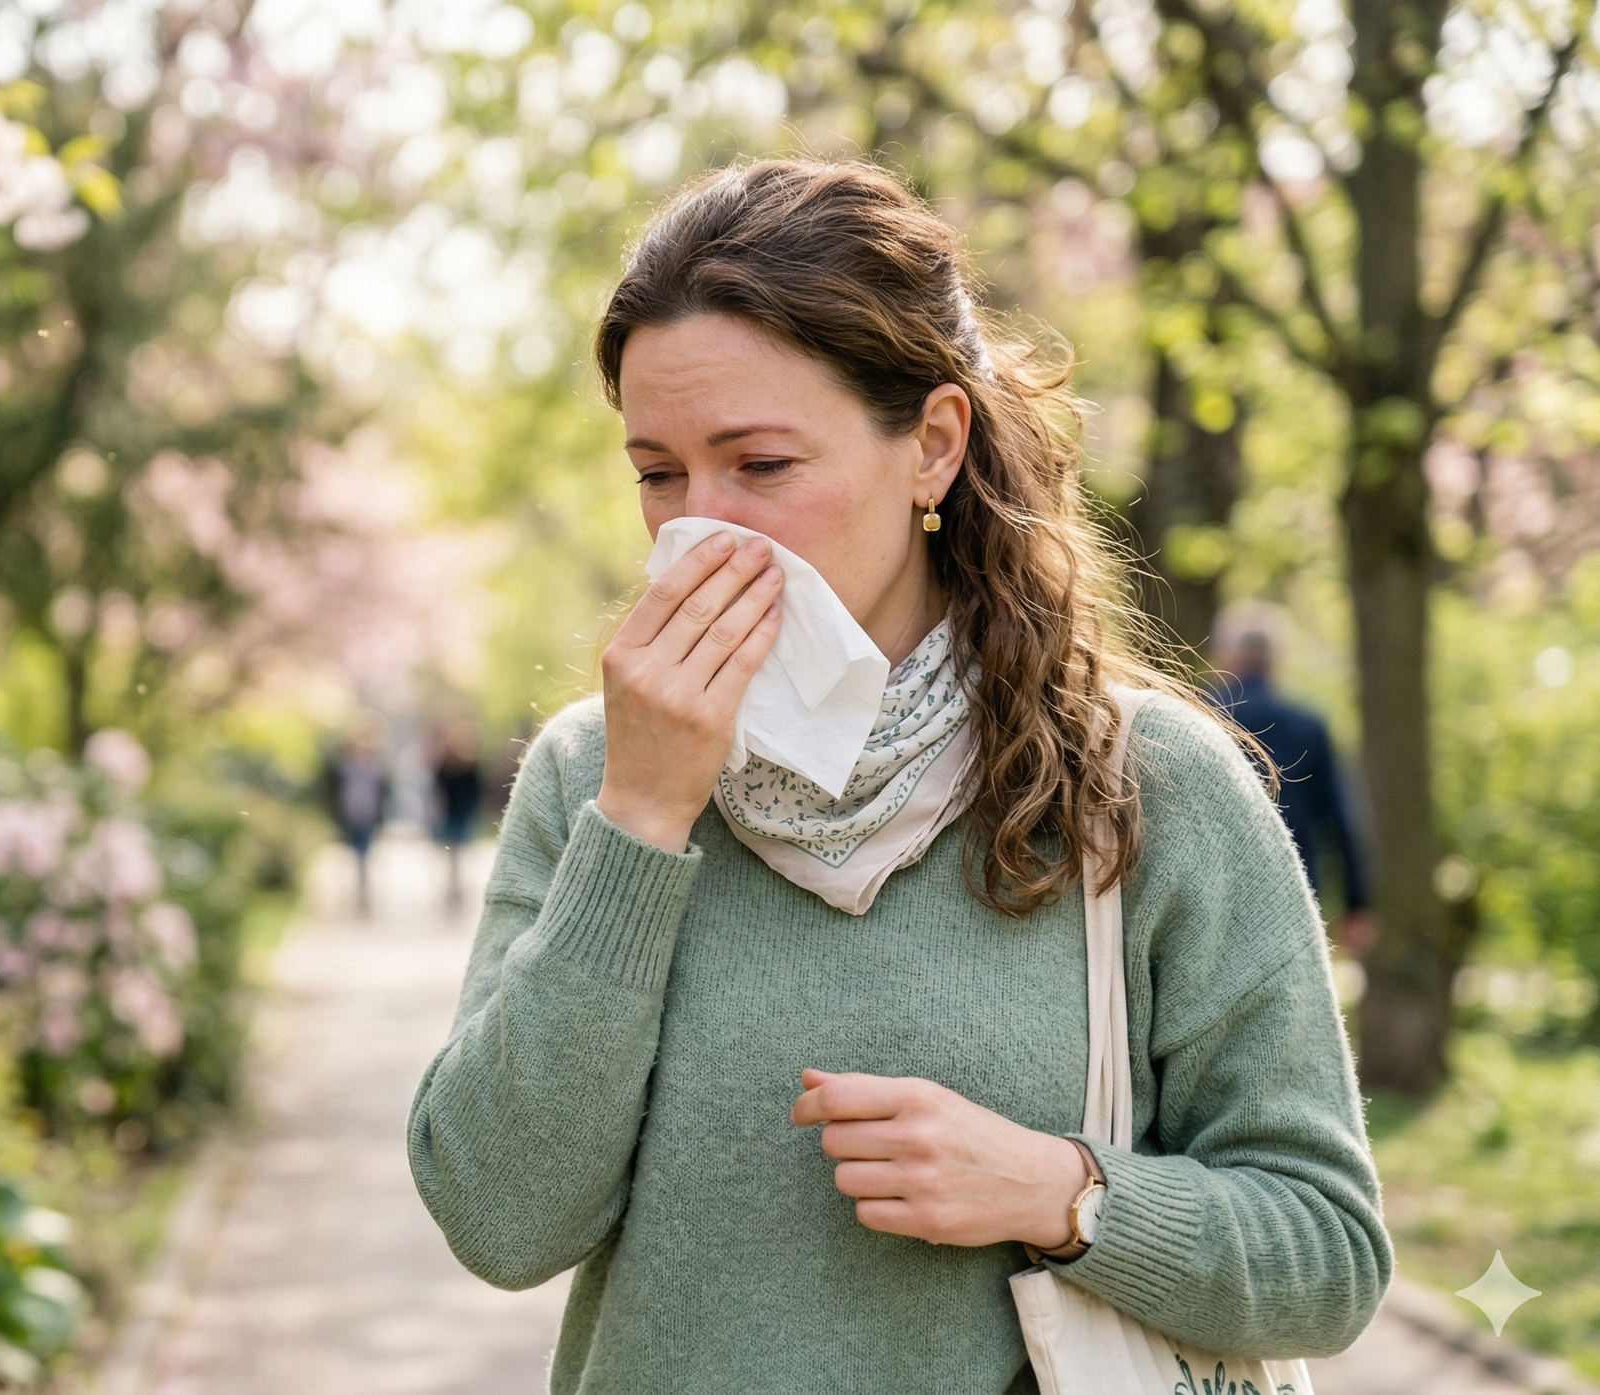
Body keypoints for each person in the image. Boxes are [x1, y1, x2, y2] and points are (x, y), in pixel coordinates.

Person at [407, 160, 1388, 1393]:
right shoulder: (592, 778)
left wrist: (1058, 1192)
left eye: (759, 466)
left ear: (930, 446)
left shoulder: (1143, 781)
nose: (696, 530)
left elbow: (1329, 1257)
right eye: (658, 473)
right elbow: (499, 1222)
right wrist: (644, 817)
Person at [1208, 628, 1376, 956]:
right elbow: (1341, 817)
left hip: (1211, 887)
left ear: (1224, 656)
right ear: (1275, 660)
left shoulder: (1196, 716)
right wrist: (1357, 902)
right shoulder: (1308, 725)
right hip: (1292, 888)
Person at [319, 720, 388, 917]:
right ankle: (348, 897)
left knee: (363, 857)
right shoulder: (342, 766)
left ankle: (362, 897)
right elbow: (332, 790)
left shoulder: (376, 766)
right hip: (347, 816)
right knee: (347, 858)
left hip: (368, 816)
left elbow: (382, 792)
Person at [429, 716, 485, 911]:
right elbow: (439, 786)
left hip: (462, 813)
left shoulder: (471, 764)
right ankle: (453, 884)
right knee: (452, 849)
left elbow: (476, 789)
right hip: (451, 813)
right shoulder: (446, 764)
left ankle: (457, 883)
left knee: (459, 849)